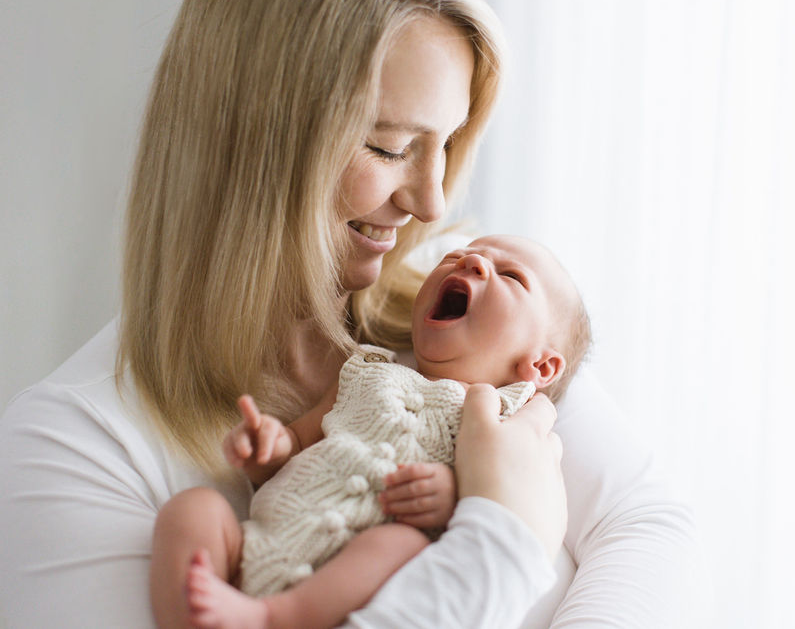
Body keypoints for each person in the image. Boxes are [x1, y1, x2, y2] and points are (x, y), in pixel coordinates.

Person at [0, 0, 707, 627]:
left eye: (449, 144)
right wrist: (508, 534)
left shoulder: (476, 321)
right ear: (253, 145)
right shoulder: (70, 453)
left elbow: (647, 526)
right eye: (391, 148)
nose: (432, 204)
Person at [153, 234, 592, 629]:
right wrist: (269, 445)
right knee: (193, 508)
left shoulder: (506, 424)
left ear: (540, 366)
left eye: (512, 276)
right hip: (266, 543)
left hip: (348, 586)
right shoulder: (365, 368)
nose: (471, 261)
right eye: (455, 255)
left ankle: (273, 616)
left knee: (399, 543)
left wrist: (452, 495)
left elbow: (499, 501)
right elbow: (300, 441)